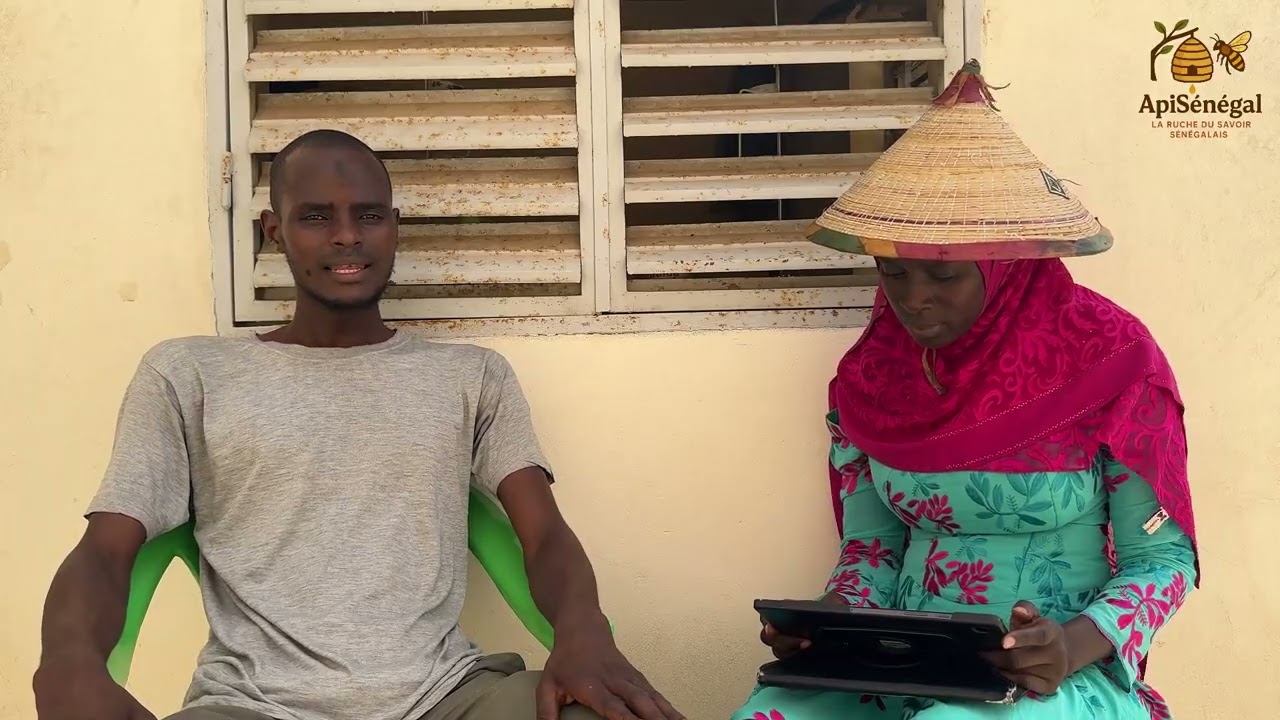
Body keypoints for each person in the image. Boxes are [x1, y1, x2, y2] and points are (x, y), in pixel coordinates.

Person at [33, 129, 683, 720]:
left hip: (449, 697)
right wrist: (67, 663)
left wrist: (584, 636)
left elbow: (543, 537)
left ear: (394, 228)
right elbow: (106, 552)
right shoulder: (188, 375)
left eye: (368, 216)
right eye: (317, 217)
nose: (347, 236)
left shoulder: (471, 377)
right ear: (274, 232)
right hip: (253, 706)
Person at [731, 61, 1200, 720]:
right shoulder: (870, 379)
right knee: (770, 713)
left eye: (941, 278)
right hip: (901, 663)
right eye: (893, 273)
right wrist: (829, 625)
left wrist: (1069, 645)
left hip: (1056, 675)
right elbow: (872, 551)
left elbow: (1164, 560)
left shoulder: (1113, 362)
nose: (913, 301)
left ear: (1003, 264)